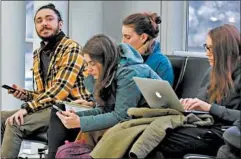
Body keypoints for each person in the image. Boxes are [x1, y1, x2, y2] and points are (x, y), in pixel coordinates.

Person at [47, 34, 161, 158]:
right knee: (60, 110)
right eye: (86, 63)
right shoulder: (109, 71)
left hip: (147, 119)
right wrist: (77, 116)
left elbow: (122, 116)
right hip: (130, 119)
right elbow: (105, 108)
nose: (88, 69)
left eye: (92, 63)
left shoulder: (129, 73)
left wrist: (80, 121)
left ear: (105, 61)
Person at [1, 3, 91, 158]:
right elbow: (45, 94)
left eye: (49, 19)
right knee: (2, 117)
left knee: (15, 123)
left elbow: (59, 91)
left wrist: (27, 108)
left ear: (60, 24)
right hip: (51, 106)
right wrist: (26, 95)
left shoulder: (71, 48)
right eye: (39, 20)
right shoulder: (38, 54)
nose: (44, 23)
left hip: (71, 108)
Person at [156, 24, 241, 158]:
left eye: (210, 48)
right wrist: (189, 105)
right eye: (206, 47)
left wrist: (209, 108)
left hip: (224, 134)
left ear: (223, 50)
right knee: (155, 133)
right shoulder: (212, 72)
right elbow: (202, 103)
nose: (207, 53)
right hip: (205, 126)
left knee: (161, 138)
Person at [122, 12, 174, 86]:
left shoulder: (162, 64)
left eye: (127, 37)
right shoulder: (123, 58)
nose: (123, 42)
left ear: (143, 37)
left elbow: (164, 96)